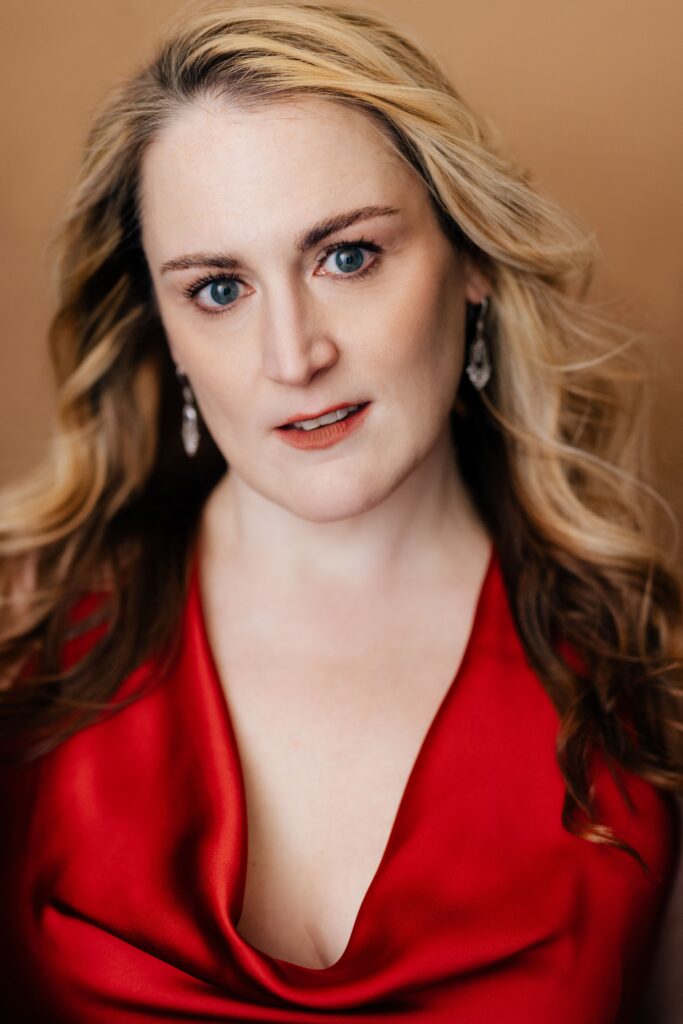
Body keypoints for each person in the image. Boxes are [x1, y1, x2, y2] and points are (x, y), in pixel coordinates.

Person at [0, 1, 681, 1020]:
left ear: (471, 258)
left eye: (347, 256)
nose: (293, 355)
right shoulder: (22, 640)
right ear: (164, 331)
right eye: (218, 288)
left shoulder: (648, 681)